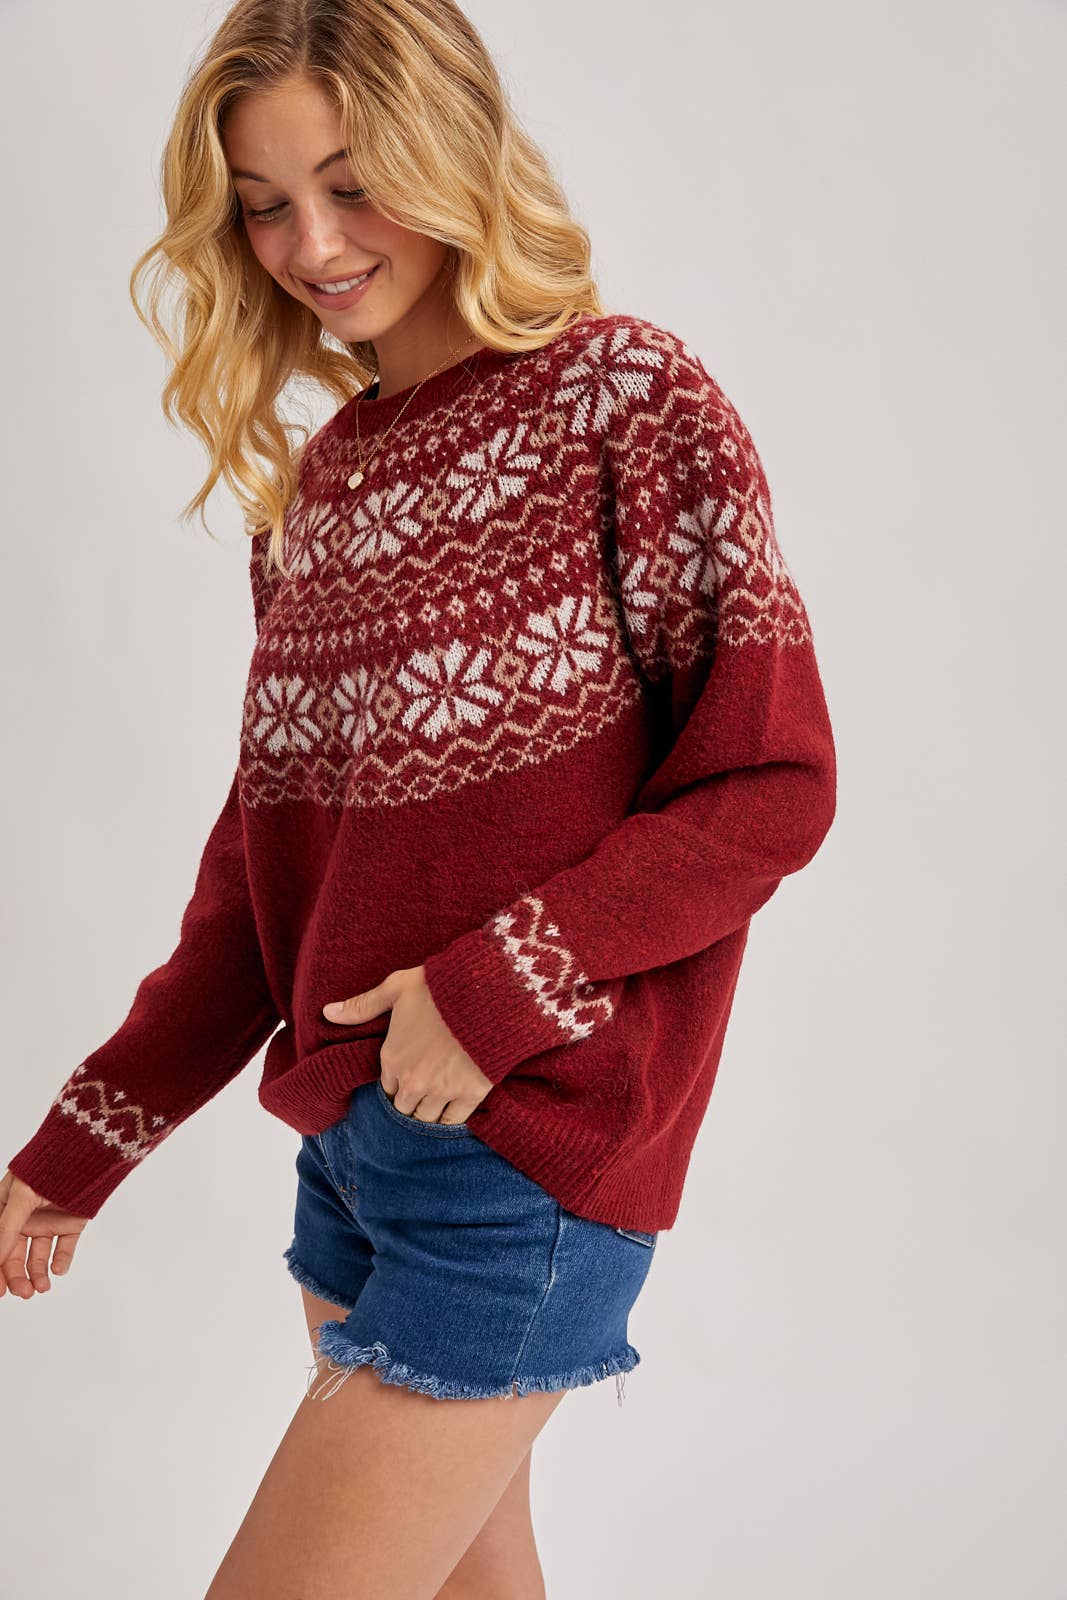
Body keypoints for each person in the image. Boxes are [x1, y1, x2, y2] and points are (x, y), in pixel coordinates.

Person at [0, 1, 838, 1595]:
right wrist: (78, 1147)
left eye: (353, 183)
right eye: (265, 206)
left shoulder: (625, 401)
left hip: (521, 1157)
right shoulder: (315, 499)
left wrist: (489, 990)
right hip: (351, 1162)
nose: (313, 245)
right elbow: (259, 900)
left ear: (452, 153)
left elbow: (767, 782)